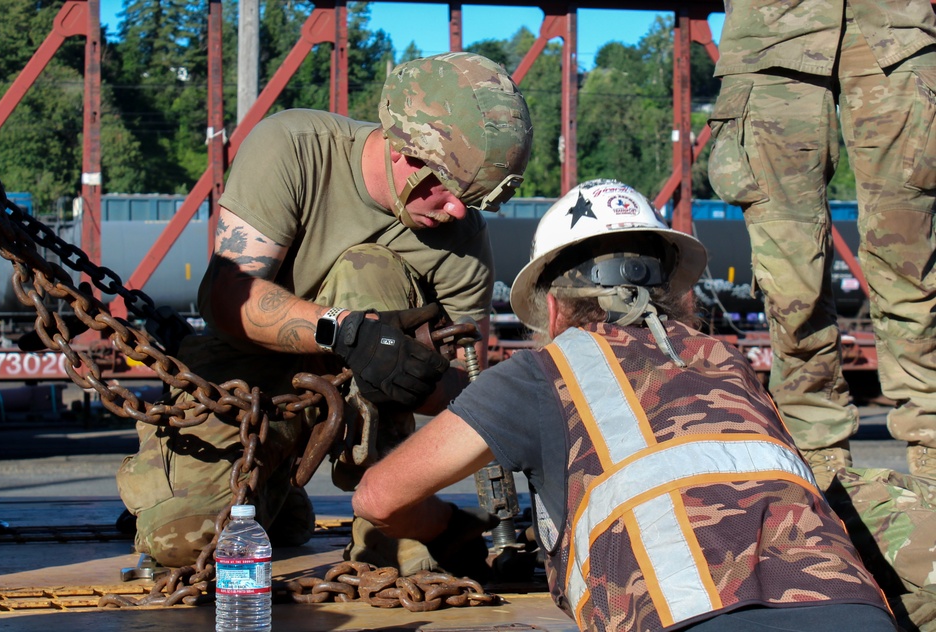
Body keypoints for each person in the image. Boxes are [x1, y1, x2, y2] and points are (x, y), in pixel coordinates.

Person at [352, 179, 895, 631]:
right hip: (858, 612)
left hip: (682, 618)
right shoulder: (730, 362)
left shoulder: (544, 371)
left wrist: (451, 529)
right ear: (678, 293)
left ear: (552, 308)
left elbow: (378, 497)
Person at [115, 52, 533, 569]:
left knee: (371, 269)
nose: (457, 211)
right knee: (184, 544)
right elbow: (227, 295)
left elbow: (461, 390)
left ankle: (382, 530)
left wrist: (410, 370)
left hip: (363, 407)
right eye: (447, 188)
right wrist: (349, 334)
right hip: (248, 378)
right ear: (405, 147)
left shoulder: (462, 241)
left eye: (476, 199)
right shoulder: (293, 149)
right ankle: (273, 482)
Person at [706, 0, 936, 488]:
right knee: (791, 284)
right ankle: (820, 467)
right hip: (770, 38)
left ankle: (933, 448)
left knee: (912, 263)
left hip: (898, 29)